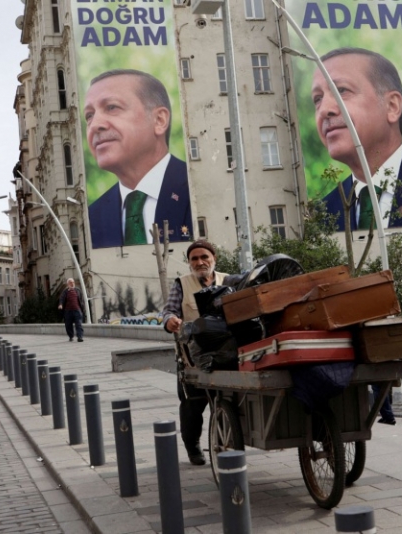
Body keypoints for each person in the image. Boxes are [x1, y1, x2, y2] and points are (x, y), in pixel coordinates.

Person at [313, 48, 402, 231]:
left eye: (341, 90)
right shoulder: (321, 216)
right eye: (317, 99)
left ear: (392, 106)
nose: (324, 110)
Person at [84, 69, 192, 248]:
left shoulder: (196, 186)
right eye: (89, 115)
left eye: (112, 107)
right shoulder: (92, 217)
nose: (95, 125)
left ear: (159, 120)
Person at [162, 240, 238, 466]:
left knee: (225, 401)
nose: (200, 262)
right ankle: (193, 446)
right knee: (192, 406)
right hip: (191, 359)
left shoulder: (230, 281)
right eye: (194, 258)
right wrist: (170, 321)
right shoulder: (182, 284)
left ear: (214, 259)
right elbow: (168, 311)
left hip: (225, 355)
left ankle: (225, 445)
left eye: (204, 257)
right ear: (189, 262)